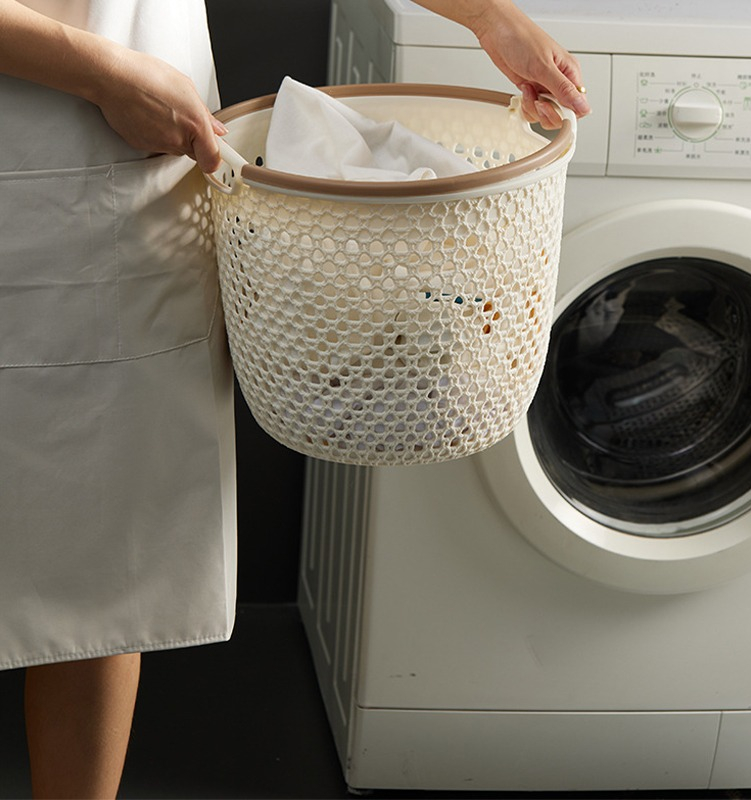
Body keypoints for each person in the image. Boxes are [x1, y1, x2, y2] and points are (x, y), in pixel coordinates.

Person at [0, 1, 589, 797]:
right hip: (71, 112)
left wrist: (487, 16)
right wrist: (103, 74)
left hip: (128, 168)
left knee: (103, 562)